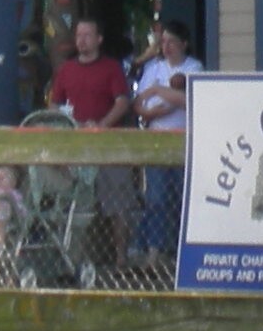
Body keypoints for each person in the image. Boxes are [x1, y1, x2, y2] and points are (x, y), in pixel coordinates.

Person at [48, 17, 132, 266]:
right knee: (73, 202)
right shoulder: (66, 69)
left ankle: (121, 258)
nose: (82, 40)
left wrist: (102, 125)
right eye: (78, 35)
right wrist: (66, 124)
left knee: (118, 202)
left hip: (108, 145)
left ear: (99, 39)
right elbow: (55, 104)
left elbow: (122, 101)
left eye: (87, 35)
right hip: (76, 145)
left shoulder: (111, 68)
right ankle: (73, 259)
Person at [131, 19, 204, 262]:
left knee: (182, 198)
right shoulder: (154, 69)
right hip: (156, 139)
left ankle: (180, 252)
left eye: (172, 42)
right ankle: (154, 251)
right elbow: (140, 104)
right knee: (157, 198)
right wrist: (161, 107)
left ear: (184, 43)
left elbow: (190, 99)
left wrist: (157, 92)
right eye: (164, 42)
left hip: (184, 142)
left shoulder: (194, 67)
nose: (167, 47)